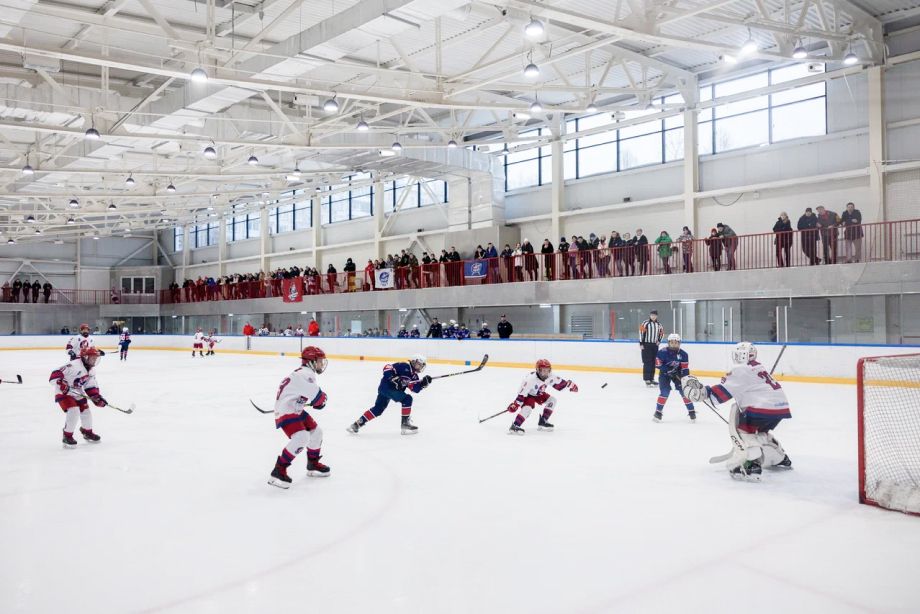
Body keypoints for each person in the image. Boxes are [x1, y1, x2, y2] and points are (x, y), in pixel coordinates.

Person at [682, 342, 792, 482]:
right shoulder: (758, 367)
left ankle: (750, 464)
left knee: (744, 432)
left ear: (741, 355)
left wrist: (703, 393)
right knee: (761, 433)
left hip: (762, 407)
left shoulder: (741, 369)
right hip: (780, 408)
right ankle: (780, 458)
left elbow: (722, 393)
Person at [268, 347, 331, 488]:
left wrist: (316, 401)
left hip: (295, 409)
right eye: (320, 361)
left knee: (317, 432)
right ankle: (279, 469)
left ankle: (312, 464)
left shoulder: (301, 373)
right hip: (287, 411)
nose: (322, 364)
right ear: (311, 361)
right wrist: (320, 400)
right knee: (302, 437)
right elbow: (318, 397)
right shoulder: (306, 374)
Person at [347, 355, 431, 435]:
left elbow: (415, 389)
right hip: (388, 387)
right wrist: (392, 378)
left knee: (378, 409)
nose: (420, 367)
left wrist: (423, 384)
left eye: (421, 365)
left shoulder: (414, 376)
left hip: (386, 390)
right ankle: (405, 423)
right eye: (418, 364)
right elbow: (387, 367)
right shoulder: (404, 366)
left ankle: (356, 424)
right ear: (413, 362)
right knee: (407, 399)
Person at [50, 347, 107, 448]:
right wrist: (61, 383)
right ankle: (67, 435)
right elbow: (55, 374)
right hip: (63, 392)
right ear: (85, 357)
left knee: (86, 412)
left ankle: (87, 432)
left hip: (77, 392)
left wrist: (96, 397)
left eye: (96, 358)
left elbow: (90, 386)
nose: (95, 361)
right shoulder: (74, 365)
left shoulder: (91, 371)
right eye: (92, 358)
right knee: (74, 410)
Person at [505, 359, 578, 435]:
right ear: (538, 370)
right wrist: (515, 405)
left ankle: (543, 421)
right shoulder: (530, 379)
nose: (546, 373)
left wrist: (571, 386)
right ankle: (515, 425)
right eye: (543, 370)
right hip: (528, 395)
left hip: (539, 394)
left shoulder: (550, 376)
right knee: (527, 409)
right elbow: (522, 394)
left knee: (552, 400)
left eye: (547, 370)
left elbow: (561, 384)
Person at [653, 334, 695, 423]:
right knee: (665, 392)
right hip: (664, 374)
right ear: (668, 343)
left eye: (676, 343)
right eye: (672, 342)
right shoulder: (662, 352)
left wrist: (684, 378)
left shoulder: (683, 354)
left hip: (677, 374)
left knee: (684, 391)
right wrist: (668, 370)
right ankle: (658, 412)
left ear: (679, 343)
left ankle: (691, 411)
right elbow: (658, 365)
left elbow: (685, 368)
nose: (674, 344)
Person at [639, 310, 664, 387]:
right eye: (652, 315)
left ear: (657, 316)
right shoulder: (645, 323)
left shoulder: (659, 325)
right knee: (647, 362)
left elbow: (662, 333)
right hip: (646, 345)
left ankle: (652, 378)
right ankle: (647, 379)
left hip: (654, 345)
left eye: (655, 315)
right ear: (650, 315)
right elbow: (641, 333)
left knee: (654, 362)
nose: (653, 316)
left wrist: (659, 341)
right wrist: (641, 343)